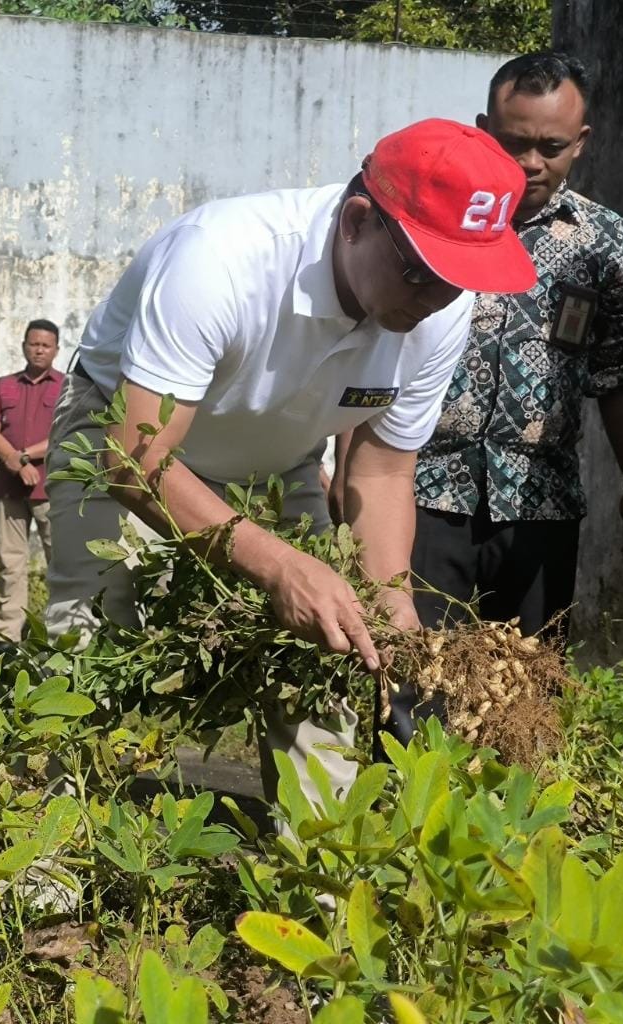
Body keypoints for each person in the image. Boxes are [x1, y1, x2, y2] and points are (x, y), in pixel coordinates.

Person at [44, 119, 535, 805]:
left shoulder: (439, 309)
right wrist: (279, 564)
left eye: (460, 279)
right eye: (422, 273)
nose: (437, 302)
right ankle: (44, 868)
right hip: (123, 440)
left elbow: (381, 472)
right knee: (89, 638)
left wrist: (391, 605)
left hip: (277, 464)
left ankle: (318, 882)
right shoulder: (222, 259)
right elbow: (134, 454)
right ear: (358, 221)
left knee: (331, 651)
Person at [390, 53, 623, 737]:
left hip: (540, 501)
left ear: (582, 141)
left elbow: (621, 374)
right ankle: (397, 829)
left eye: (551, 147)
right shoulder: (436, 221)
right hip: (424, 493)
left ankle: (512, 831)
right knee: (412, 681)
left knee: (523, 695)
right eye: (513, 144)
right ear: (482, 132)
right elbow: (377, 345)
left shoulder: (603, 244)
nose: (531, 163)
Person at [0, 320, 64, 642]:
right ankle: (7, 638)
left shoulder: (68, 387)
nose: (39, 350)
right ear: (23, 346)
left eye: (46, 345)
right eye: (33, 344)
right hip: (8, 489)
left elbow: (64, 433)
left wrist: (25, 456)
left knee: (59, 565)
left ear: (56, 349)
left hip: (52, 489)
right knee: (10, 565)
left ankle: (59, 635)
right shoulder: (3, 386)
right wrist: (15, 463)